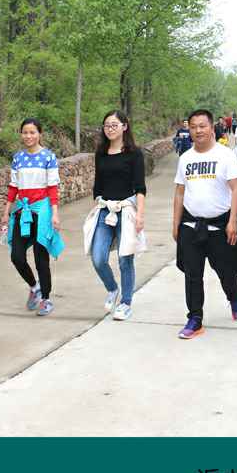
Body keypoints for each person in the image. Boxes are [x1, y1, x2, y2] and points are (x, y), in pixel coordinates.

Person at [173, 109, 237, 340]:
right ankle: (195, 318)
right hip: (191, 225)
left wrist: (233, 222)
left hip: (220, 225)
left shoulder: (225, 155)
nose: (198, 130)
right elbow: (179, 192)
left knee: (226, 271)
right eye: (193, 127)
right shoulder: (185, 158)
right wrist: (176, 223)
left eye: (202, 126)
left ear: (212, 128)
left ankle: (235, 298)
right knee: (192, 274)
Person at [82, 110, 147, 321]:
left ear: (124, 127)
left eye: (114, 125)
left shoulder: (134, 154)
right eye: (107, 125)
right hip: (105, 209)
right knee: (98, 257)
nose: (110, 129)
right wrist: (97, 204)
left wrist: (140, 215)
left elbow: (140, 187)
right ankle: (112, 288)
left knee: (125, 259)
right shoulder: (101, 153)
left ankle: (126, 303)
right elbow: (98, 184)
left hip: (126, 210)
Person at [0, 118, 65, 316]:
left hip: (42, 211)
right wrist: (6, 211)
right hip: (23, 210)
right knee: (16, 256)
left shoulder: (48, 157)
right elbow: (13, 187)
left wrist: (55, 214)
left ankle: (46, 298)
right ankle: (34, 287)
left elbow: (52, 188)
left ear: (39, 134)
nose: (28, 136)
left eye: (32, 132)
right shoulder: (18, 158)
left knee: (40, 257)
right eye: (25, 132)